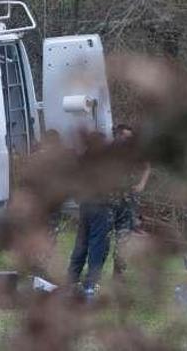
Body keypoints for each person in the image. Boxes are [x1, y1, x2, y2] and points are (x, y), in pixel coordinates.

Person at [67, 132, 112, 298]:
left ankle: (71, 279)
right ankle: (92, 283)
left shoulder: (83, 158)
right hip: (99, 205)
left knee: (81, 243)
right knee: (97, 245)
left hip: (85, 205)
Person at [111, 124, 151, 279]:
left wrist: (141, 184)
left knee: (124, 237)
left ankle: (118, 273)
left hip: (128, 201)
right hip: (108, 201)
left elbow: (147, 166)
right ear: (118, 136)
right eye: (126, 137)